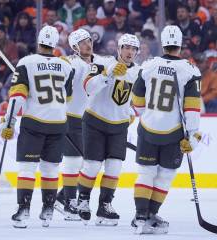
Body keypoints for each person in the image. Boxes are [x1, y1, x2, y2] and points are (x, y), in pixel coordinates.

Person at [0, 25, 74, 228]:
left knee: (27, 168)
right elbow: (67, 96)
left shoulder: (26, 63)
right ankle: (48, 210)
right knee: (50, 169)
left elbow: (17, 97)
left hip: (34, 122)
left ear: (38, 40)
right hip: (58, 123)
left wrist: (9, 121)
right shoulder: (66, 65)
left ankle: (23, 211)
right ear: (56, 43)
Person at [131, 25, 201, 234]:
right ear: (181, 44)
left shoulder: (149, 65)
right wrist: (193, 136)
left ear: (163, 43)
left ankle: (140, 217)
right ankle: (151, 215)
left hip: (148, 128)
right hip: (173, 133)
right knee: (164, 176)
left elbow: (136, 99)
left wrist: (148, 115)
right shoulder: (190, 70)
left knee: (145, 173)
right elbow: (191, 108)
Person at [77, 33, 140, 226]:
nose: (129, 52)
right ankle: (83, 201)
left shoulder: (138, 72)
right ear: (118, 49)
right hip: (95, 121)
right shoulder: (103, 63)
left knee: (114, 167)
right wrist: (108, 74)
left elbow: (135, 99)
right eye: (126, 47)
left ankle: (105, 205)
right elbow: (88, 87)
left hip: (118, 125)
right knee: (93, 165)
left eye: (133, 49)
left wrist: (130, 111)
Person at [54, 29, 103, 221]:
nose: (87, 44)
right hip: (70, 117)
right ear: (74, 47)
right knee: (73, 161)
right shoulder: (69, 63)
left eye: (89, 40)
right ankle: (68, 202)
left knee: (89, 163)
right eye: (82, 42)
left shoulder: (100, 62)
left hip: (90, 119)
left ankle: (61, 199)